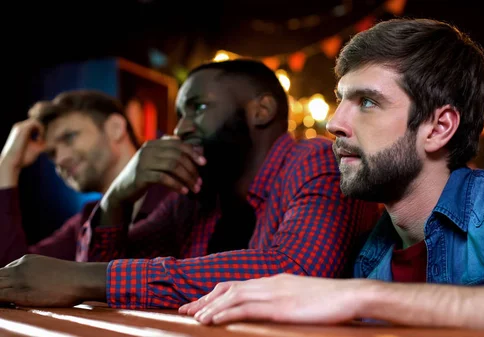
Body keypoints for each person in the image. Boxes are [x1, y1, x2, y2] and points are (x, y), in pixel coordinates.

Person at [178, 19, 484, 336]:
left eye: (366, 102)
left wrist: (360, 296)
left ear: (438, 128)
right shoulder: (370, 253)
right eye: (341, 99)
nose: (336, 123)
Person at [0, 60, 380, 309]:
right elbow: (95, 279)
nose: (180, 128)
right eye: (180, 114)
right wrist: (118, 194)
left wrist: (89, 279)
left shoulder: (313, 158)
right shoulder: (196, 196)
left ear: (260, 110)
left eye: (197, 108)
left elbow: (293, 273)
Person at [0, 90, 168, 265]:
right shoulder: (86, 222)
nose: (60, 159)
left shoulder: (179, 194)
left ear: (116, 128)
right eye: (52, 154)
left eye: (69, 137)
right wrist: (7, 165)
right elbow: (13, 273)